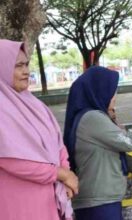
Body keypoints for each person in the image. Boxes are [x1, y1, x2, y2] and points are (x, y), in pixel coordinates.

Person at [63, 66, 132, 220]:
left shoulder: (93, 117)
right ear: (99, 90)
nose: (114, 97)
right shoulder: (92, 118)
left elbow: (118, 154)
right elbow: (130, 142)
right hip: (98, 202)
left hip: (103, 200)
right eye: (112, 91)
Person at [0, 39, 78, 220]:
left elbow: (58, 144)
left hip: (49, 199)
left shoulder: (35, 104)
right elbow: (9, 160)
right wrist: (61, 174)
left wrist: (65, 174)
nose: (26, 71)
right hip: (18, 202)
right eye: (18, 66)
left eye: (26, 65)